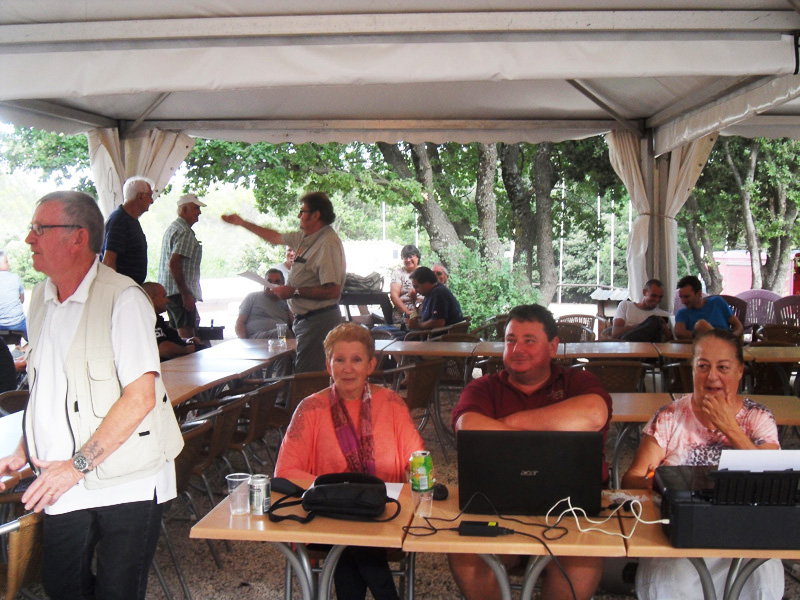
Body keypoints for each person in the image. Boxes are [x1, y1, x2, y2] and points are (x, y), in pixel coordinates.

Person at [0, 191, 183, 600]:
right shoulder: (40, 299)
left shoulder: (124, 298)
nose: (29, 239)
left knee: (118, 592)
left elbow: (140, 398)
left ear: (78, 237)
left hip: (128, 479)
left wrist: (76, 466)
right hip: (62, 477)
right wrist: (24, 446)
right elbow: (46, 385)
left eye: (40, 229)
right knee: (61, 585)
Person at [449, 304, 612, 600]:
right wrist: (550, 429)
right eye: (511, 340)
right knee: (465, 554)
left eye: (529, 340)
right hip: (495, 508)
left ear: (552, 347)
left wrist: (508, 423)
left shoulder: (577, 382)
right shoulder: (483, 387)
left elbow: (594, 414)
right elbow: (468, 426)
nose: (517, 349)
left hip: (571, 512)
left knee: (584, 561)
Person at [622, 329, 782, 599]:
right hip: (683, 528)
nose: (712, 376)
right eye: (703, 366)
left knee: (763, 576)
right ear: (692, 369)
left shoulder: (758, 418)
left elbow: (772, 481)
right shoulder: (670, 416)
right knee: (668, 578)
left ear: (739, 372)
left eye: (723, 367)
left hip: (744, 529)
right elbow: (632, 477)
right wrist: (660, 483)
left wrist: (730, 428)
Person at [275, 322, 424, 600]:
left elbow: (417, 460)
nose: (348, 369)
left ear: (371, 365)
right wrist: (342, 494)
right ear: (328, 365)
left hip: (382, 512)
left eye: (356, 360)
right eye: (339, 360)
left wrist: (422, 487)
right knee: (354, 537)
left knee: (353, 542)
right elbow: (285, 472)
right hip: (327, 514)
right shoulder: (310, 408)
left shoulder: (392, 404)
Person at [221, 191, 346, 373]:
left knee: (308, 378)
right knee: (305, 375)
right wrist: (243, 223)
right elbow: (274, 237)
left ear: (316, 215)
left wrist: (294, 291)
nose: (298, 216)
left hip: (319, 321)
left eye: (302, 211)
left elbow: (333, 291)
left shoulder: (327, 243)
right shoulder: (305, 237)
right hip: (306, 322)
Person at [158, 193, 206, 338]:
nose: (199, 212)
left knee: (178, 335)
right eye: (196, 208)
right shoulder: (184, 231)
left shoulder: (173, 228)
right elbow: (174, 263)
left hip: (170, 292)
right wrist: (185, 294)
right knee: (187, 336)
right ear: (184, 210)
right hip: (179, 293)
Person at [101, 176, 154, 284]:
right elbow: (108, 261)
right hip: (121, 289)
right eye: (150, 196)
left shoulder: (130, 220)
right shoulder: (119, 220)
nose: (152, 201)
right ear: (140, 196)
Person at [142, 281, 206, 361]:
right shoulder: (149, 319)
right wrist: (187, 349)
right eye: (164, 296)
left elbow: (167, 339)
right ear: (152, 298)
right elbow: (164, 349)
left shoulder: (156, 318)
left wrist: (187, 341)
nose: (167, 300)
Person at [674, 275, 743, 340]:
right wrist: (703, 336)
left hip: (726, 343)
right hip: (701, 345)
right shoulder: (682, 313)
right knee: (701, 324)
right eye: (681, 297)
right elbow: (679, 333)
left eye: (686, 297)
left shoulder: (717, 302)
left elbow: (738, 325)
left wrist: (733, 338)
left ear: (699, 293)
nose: (683, 301)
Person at [235, 268, 292, 340]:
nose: (272, 285)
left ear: (283, 284)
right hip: (256, 339)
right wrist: (244, 342)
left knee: (285, 333)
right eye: (269, 281)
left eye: (277, 282)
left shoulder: (288, 301)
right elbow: (240, 322)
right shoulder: (252, 297)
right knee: (284, 333)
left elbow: (295, 323)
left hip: (282, 338)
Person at [407, 266, 463, 330]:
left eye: (416, 287)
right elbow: (425, 312)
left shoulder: (439, 293)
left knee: (398, 336)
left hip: (440, 335)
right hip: (428, 333)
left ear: (426, 283)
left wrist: (417, 325)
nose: (416, 291)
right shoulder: (430, 292)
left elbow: (438, 322)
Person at [389, 244, 421, 325]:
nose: (408, 260)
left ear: (417, 257)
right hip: (403, 313)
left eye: (411, 257)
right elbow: (394, 296)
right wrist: (407, 313)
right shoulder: (398, 273)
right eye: (405, 257)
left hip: (422, 310)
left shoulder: (425, 272)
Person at [0, 250, 27, 340]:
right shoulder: (15, 277)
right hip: (17, 323)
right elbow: (22, 300)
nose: (9, 264)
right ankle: (24, 346)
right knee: (35, 339)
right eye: (6, 262)